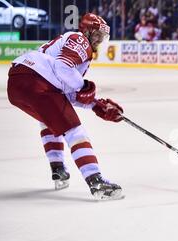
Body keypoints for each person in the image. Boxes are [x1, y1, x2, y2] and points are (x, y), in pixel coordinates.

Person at [7, 13, 124, 200]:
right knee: (75, 131)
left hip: (17, 85)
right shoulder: (79, 40)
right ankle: (96, 182)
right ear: (87, 31)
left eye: (102, 36)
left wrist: (95, 105)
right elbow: (64, 68)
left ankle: (58, 169)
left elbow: (66, 92)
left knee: (50, 120)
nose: (100, 39)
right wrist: (84, 86)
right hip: (38, 80)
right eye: (97, 35)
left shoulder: (68, 46)